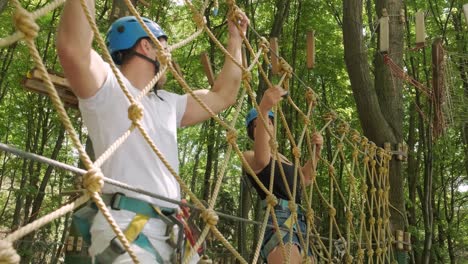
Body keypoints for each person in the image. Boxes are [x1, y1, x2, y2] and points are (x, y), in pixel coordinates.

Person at [56, 0, 249, 262]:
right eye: (164, 47)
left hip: (175, 235)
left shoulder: (168, 103)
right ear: (147, 45)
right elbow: (74, 49)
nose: (168, 57)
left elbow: (224, 94)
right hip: (125, 229)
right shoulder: (108, 86)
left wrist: (235, 41)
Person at [242, 86, 323, 264]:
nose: (266, 124)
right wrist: (263, 109)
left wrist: (316, 153)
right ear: (252, 132)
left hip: (300, 222)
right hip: (278, 220)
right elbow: (262, 161)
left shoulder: (284, 158)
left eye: (269, 121)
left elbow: (305, 179)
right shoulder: (248, 156)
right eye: (257, 125)